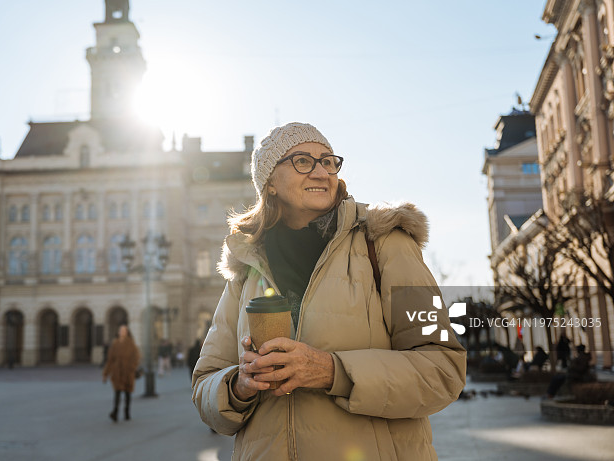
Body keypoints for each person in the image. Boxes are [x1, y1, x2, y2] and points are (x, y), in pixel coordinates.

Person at [192, 122, 466, 459]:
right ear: (270, 184)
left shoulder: (386, 243)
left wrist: (332, 371)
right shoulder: (247, 266)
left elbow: (443, 369)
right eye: (303, 161)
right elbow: (204, 383)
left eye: (328, 161)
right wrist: (239, 386)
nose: (322, 172)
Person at [102, 324, 141, 422]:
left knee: (128, 393)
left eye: (124, 330)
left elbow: (136, 357)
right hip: (117, 371)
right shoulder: (115, 344)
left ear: (127, 332)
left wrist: (132, 367)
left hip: (128, 372)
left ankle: (127, 412)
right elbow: (110, 360)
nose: (122, 332)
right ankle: (115, 412)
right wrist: (106, 373)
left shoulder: (131, 343)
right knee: (117, 392)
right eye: (121, 330)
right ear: (118, 332)